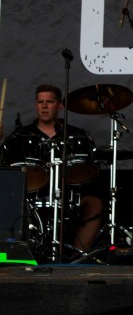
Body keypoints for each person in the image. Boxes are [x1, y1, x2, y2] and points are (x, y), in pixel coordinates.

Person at [0, 84, 106, 260]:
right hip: (33, 195)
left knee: (95, 204)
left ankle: (76, 259)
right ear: (35, 105)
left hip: (69, 192)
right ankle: (19, 254)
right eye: (40, 102)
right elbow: (8, 170)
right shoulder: (21, 136)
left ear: (60, 106)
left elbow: (87, 170)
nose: (44, 106)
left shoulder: (76, 135)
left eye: (49, 102)